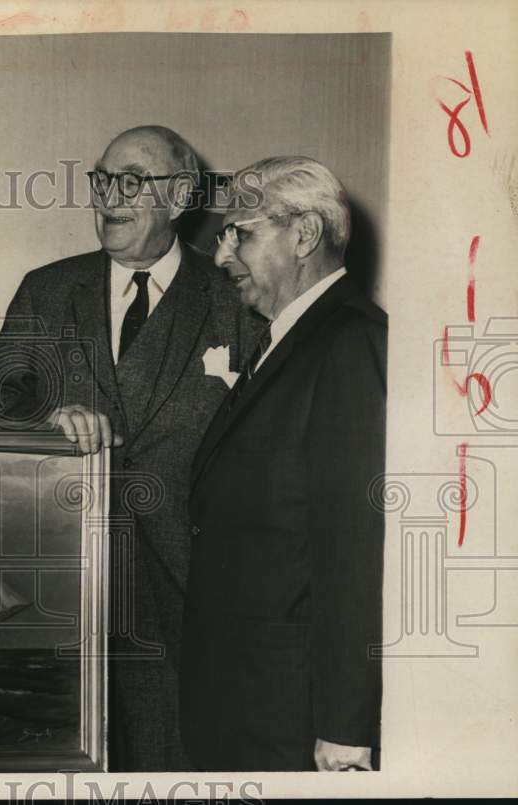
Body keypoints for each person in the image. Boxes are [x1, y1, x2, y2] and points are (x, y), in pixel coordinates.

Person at [0, 126, 256, 771]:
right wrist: (50, 416)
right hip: (59, 590)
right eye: (102, 180)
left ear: (181, 196)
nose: (109, 197)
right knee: (55, 765)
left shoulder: (235, 300)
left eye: (132, 182)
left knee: (171, 762)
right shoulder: (47, 289)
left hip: (187, 592)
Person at [181, 156, 386, 771]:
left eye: (239, 232)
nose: (221, 257)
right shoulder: (287, 342)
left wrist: (346, 725)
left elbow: (356, 547)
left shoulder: (351, 343)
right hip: (248, 700)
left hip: (293, 716)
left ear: (303, 234)